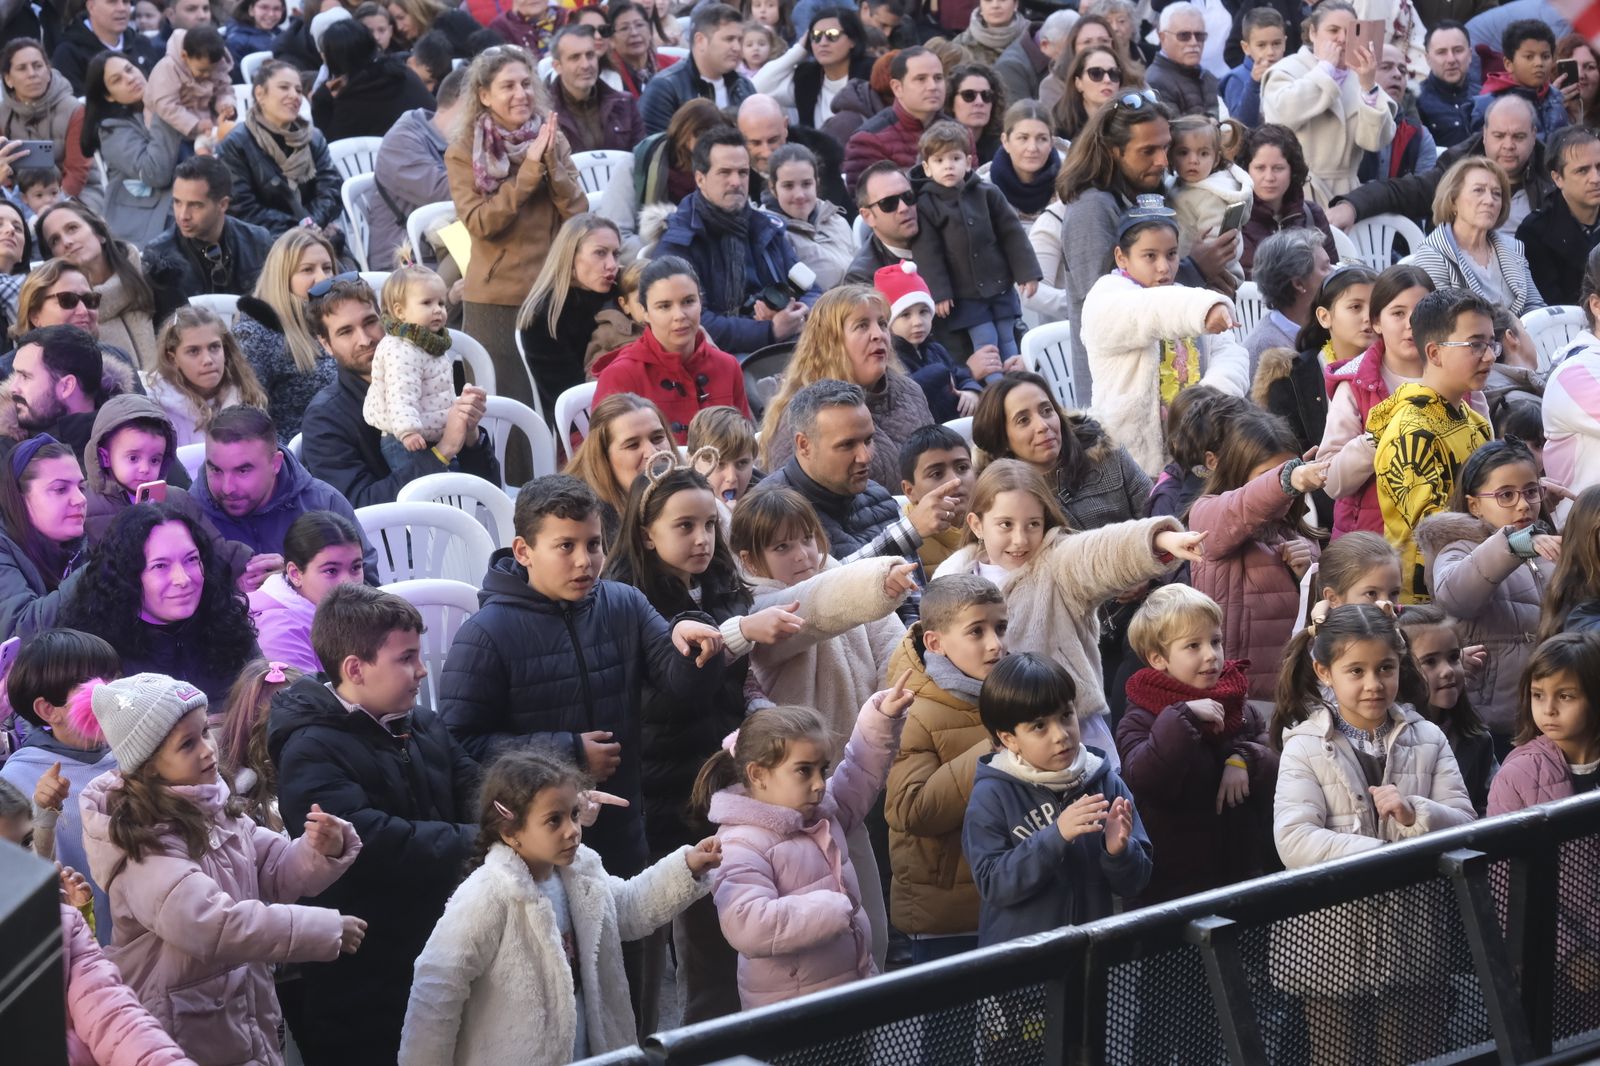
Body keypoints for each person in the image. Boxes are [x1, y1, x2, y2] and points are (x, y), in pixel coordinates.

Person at [437, 473, 724, 1024]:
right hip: (537, 854)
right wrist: (567, 752)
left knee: (633, 996)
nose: (584, 561)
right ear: (524, 551)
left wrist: (696, 639)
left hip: (623, 831)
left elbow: (680, 685)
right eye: (564, 546)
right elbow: (460, 743)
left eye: (593, 544)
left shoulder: (622, 603)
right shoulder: (488, 633)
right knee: (558, 1003)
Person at [73, 671, 361, 1065]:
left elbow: (273, 868)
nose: (208, 749)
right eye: (187, 744)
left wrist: (317, 850)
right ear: (148, 767)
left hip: (239, 1008)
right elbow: (211, 924)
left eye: (204, 733)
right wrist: (319, 929)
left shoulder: (214, 807)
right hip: (183, 1026)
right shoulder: (142, 846)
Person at [598, 461, 787, 1023]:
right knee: (649, 950)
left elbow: (732, 686)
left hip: (717, 783)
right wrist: (737, 636)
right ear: (646, 533)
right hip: (660, 791)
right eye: (684, 526)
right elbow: (673, 696)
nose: (702, 539)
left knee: (715, 944)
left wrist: (756, 708)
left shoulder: (723, 587)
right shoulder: (630, 604)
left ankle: (717, 1045)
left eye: (710, 524)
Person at [267, 582, 480, 1065]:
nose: (422, 670)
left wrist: (530, 809)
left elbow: (478, 790)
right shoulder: (309, 749)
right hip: (363, 978)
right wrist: (483, 841)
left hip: (439, 947)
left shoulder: (422, 724)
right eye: (406, 658)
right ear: (355, 669)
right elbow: (376, 843)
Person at [399, 749, 717, 1065]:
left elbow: (627, 907)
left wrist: (687, 866)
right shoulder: (487, 895)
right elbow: (437, 987)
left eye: (574, 815)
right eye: (554, 820)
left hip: (594, 1053)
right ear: (511, 833)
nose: (572, 830)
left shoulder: (583, 871)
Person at [1270, 603, 1474, 1062]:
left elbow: (1464, 821)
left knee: (1408, 1054)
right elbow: (1295, 839)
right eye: (1356, 670)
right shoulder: (1304, 746)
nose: (1373, 684)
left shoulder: (1428, 738)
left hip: (1413, 933)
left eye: (1385, 668)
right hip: (1328, 940)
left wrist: (1413, 813)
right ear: (1324, 671)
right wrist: (1383, 850)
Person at [933, 459, 1200, 763]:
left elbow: (1099, 552)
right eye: (1006, 524)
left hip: (1078, 737)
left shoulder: (1058, 562)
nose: (1020, 539)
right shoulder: (952, 582)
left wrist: (1158, 540)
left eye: (1032, 524)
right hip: (1008, 747)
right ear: (977, 524)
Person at [694, 681, 908, 1008]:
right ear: (758, 774)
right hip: (793, 1015)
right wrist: (833, 908)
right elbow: (748, 925)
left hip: (850, 990)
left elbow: (859, 772)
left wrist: (881, 718)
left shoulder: (820, 814)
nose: (820, 784)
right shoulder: (739, 844)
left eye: (822, 770)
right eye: (803, 771)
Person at [447, 44, 587, 486]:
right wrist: (528, 172)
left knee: (554, 406)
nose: (521, 93)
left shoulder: (551, 137)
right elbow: (481, 223)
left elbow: (580, 214)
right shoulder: (463, 151)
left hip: (551, 294)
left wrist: (553, 167)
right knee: (507, 411)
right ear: (484, 95)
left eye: (526, 83)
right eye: (508, 85)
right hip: (496, 300)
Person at [1053, 95, 1237, 405]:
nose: (1163, 162)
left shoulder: (1150, 191)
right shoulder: (1092, 208)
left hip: (1171, 386)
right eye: (1148, 151)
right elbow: (1104, 312)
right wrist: (1195, 270)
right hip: (1121, 400)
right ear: (1114, 152)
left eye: (1166, 147)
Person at [961, 652, 1151, 947]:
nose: (1061, 735)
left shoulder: (1105, 781)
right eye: (1039, 726)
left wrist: (1118, 853)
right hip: (1021, 968)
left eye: (1066, 715)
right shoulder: (993, 793)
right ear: (1009, 739)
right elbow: (993, 883)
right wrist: (1056, 835)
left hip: (1092, 959)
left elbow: (1136, 882)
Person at [1118, 581, 1277, 908]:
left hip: (1240, 875)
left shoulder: (1239, 705)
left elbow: (1274, 755)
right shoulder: (1141, 716)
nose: (1211, 655)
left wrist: (1242, 758)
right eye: (1193, 646)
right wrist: (1182, 716)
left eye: (1215, 641)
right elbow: (1146, 778)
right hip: (1173, 889)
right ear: (1158, 658)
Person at [883, 573, 1005, 963]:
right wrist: (995, 745)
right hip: (945, 917)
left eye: (1000, 628)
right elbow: (909, 810)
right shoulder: (911, 710)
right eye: (977, 632)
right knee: (951, 1022)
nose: (995, 644)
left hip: (1007, 895)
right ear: (935, 643)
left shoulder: (1009, 691)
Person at [1080, 199, 1248, 477]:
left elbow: (1232, 355)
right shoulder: (1105, 298)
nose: (1164, 267)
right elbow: (1147, 310)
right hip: (1133, 464)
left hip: (1197, 449)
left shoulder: (1184, 295)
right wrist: (1205, 310)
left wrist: (1207, 402)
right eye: (1150, 256)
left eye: (1171, 254)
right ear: (1121, 257)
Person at [1414, 438, 1552, 740]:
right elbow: (1455, 597)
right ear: (1474, 505)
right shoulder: (1456, 547)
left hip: (1551, 707)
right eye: (1506, 495)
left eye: (1531, 491)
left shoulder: (1546, 547)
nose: (1523, 504)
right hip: (1491, 720)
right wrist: (1514, 546)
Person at [1186, 412, 1327, 698]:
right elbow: (1240, 508)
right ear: (1238, 472)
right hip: (1232, 693)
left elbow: (1317, 622)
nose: (1288, 490)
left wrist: (1306, 576)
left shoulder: (1302, 538)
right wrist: (1286, 478)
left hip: (1289, 694)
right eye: (1269, 476)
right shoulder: (1208, 514)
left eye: (1290, 475)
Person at [1369, 288, 1495, 603]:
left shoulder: (1473, 420)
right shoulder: (1411, 433)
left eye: (1491, 343)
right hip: (1427, 596)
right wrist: (1511, 530)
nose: (1490, 355)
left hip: (1480, 572)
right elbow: (1432, 527)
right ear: (1435, 352)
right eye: (1476, 344)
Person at [61, 506, 261, 703]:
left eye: (191, 559)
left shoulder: (228, 623)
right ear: (126, 575)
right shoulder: (96, 656)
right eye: (160, 566)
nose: (182, 579)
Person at [0, 628, 121, 941]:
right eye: (92, 688)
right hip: (86, 954)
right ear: (47, 710)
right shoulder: (18, 781)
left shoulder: (132, 755)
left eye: (112, 682)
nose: (108, 697)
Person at [650, 128, 815, 356]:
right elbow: (693, 321)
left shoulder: (765, 227)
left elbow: (811, 287)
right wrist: (769, 330)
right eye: (725, 172)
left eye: (743, 172)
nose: (736, 182)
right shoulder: (680, 242)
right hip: (722, 356)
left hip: (790, 343)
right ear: (700, 178)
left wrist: (799, 312)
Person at [761, 289, 933, 489]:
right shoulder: (802, 413)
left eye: (882, 324)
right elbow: (793, 507)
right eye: (862, 326)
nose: (878, 335)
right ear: (831, 343)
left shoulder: (910, 392)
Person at [1319, 265, 1437, 541]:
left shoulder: (1459, 378)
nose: (1411, 324)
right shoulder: (1355, 384)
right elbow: (1331, 480)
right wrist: (1379, 438)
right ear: (1376, 323)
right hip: (1372, 546)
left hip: (1444, 540)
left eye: (1421, 312)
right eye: (1398, 313)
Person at [1327, 95, 1552, 238]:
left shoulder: (1553, 174)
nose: (1508, 145)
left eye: (1519, 136)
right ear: (1484, 135)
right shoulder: (1457, 169)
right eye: (1499, 135)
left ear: (1534, 135)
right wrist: (1351, 206)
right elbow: (1400, 192)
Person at [909, 120, 1040, 366]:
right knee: (985, 339)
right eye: (939, 161)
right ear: (927, 168)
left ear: (968, 162)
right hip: (965, 293)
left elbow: (1011, 233)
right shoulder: (927, 205)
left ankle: (1015, 380)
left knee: (1007, 335)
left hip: (999, 284)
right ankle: (995, 384)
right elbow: (928, 252)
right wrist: (939, 293)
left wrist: (1027, 273)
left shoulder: (987, 193)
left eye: (955, 158)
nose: (948, 166)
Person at [192, 404, 378, 575]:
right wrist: (231, 592)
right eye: (216, 469)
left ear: (276, 463)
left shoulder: (324, 503)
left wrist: (297, 583)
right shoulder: (188, 515)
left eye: (243, 470)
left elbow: (367, 586)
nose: (227, 487)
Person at [78, 391, 254, 572]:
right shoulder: (83, 504)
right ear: (104, 457)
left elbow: (213, 547)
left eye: (155, 460)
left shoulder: (178, 500)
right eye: (133, 458)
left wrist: (248, 563)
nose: (145, 469)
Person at [591, 257, 752, 442]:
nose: (679, 315)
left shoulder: (728, 366)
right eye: (664, 306)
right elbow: (603, 459)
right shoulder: (620, 375)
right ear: (645, 313)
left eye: (688, 301)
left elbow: (744, 447)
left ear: (701, 303)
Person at [1261, 0, 1395, 208]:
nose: (1342, 39)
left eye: (1350, 31)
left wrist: (1368, 86)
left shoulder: (1360, 76)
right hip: (1295, 193)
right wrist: (1325, 71)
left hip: (1346, 196)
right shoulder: (1287, 69)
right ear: (1313, 33)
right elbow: (1279, 118)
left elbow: (1375, 141)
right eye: (1333, 30)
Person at [1253, 263, 1378, 468]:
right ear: (1324, 316)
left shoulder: (1395, 366)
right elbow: (1287, 457)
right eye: (1356, 307)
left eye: (1376, 309)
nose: (1368, 318)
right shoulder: (1291, 378)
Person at [142, 155, 275, 325]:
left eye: (195, 205)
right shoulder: (159, 255)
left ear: (223, 204)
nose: (183, 215)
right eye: (177, 202)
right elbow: (161, 329)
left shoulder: (258, 242)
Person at [217, 59, 342, 240]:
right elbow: (243, 209)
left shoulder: (313, 138)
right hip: (264, 243)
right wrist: (299, 229)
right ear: (260, 94)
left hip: (316, 235)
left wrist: (311, 225)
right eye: (284, 87)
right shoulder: (236, 144)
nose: (294, 95)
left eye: (299, 90)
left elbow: (331, 191)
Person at [233, 229, 337, 442]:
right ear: (282, 277)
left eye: (327, 268)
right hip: (300, 456)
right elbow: (249, 416)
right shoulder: (256, 331)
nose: (322, 278)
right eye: (307, 270)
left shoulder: (337, 319)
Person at [516, 213, 624, 415]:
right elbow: (569, 399)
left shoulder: (626, 294)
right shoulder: (544, 316)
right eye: (600, 253)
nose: (611, 265)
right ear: (570, 256)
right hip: (587, 425)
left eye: (616, 254)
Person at [1393, 604, 1497, 813]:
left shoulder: (1477, 738)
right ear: (1402, 670)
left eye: (1453, 657)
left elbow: (1488, 808)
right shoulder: (1389, 741)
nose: (1448, 671)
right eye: (1430, 661)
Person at [1412, 157, 1544, 316]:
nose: (1490, 201)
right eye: (1478, 190)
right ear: (1453, 201)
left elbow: (1535, 307)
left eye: (1497, 194)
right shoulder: (1433, 255)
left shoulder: (1513, 249)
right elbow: (1441, 323)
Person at [35, 202, 158, 370]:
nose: (66, 242)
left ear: (100, 233)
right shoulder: (59, 313)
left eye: (72, 228)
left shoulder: (155, 276)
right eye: (55, 240)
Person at [594, 98, 723, 257]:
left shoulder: (720, 173)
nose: (705, 142)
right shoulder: (634, 167)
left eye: (713, 136)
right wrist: (668, 255)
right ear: (682, 131)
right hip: (644, 265)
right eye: (700, 133)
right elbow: (616, 236)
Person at [1489, 632, 1600, 813]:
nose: (1548, 709)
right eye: (1538, 695)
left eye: (1565, 696)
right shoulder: (1516, 775)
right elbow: (1503, 841)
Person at [365, 69, 463, 272]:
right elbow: (446, 193)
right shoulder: (402, 139)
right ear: (465, 100)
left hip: (447, 250)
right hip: (406, 264)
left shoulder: (456, 138)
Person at [248, 509, 365, 673]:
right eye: (331, 571)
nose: (348, 583)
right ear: (295, 574)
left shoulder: (355, 611)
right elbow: (303, 698)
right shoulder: (280, 633)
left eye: (356, 567)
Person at [362, 265, 455, 468]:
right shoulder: (401, 349)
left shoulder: (430, 343)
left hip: (430, 435)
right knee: (428, 490)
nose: (438, 309)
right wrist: (408, 431)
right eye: (427, 302)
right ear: (400, 311)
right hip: (405, 440)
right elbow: (400, 393)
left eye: (441, 303)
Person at [563, 393, 676, 540]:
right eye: (632, 445)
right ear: (603, 456)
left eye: (657, 438)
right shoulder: (581, 515)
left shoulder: (695, 492)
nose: (652, 452)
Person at [876, 263, 979, 424]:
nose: (918, 322)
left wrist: (971, 391)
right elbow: (910, 390)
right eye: (905, 315)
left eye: (923, 312)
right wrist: (940, 371)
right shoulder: (891, 360)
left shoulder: (935, 349)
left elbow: (959, 374)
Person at [843, 47, 950, 192]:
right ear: (897, 87)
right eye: (921, 79)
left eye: (938, 78)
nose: (932, 86)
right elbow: (868, 206)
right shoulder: (868, 140)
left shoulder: (959, 132)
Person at [10, 325, 128, 456]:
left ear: (66, 386)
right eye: (16, 374)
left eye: (25, 376)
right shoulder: (7, 451)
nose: (13, 387)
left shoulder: (134, 450)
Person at [1239, 124, 1338, 278]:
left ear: (1293, 170)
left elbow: (1333, 275)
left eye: (1278, 168)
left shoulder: (1312, 214)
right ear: (1246, 170)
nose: (1269, 177)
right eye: (1260, 168)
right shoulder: (1235, 218)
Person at [309, 19, 433, 141]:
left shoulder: (351, 103)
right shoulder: (405, 74)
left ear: (334, 61)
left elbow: (328, 145)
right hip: (437, 152)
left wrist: (322, 97)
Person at [1517, 125, 1600, 307]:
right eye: (1583, 171)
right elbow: (1552, 308)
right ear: (1557, 178)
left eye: (1599, 167)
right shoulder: (1534, 232)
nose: (1596, 178)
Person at [640, 4, 756, 133]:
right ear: (700, 40)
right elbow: (658, 148)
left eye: (740, 40)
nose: (737, 47)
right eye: (729, 39)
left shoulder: (744, 86)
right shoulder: (664, 89)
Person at [753, 6, 873, 128]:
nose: (823, 42)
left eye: (832, 34)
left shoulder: (871, 74)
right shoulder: (807, 78)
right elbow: (758, 85)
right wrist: (799, 49)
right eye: (816, 36)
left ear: (853, 40)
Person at [735, 93, 852, 215]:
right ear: (740, 136)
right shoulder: (729, 175)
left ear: (785, 126)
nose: (766, 152)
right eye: (756, 143)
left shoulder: (824, 162)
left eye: (773, 140)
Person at [763, 143, 853, 291]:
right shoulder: (769, 234)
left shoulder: (837, 220)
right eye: (788, 186)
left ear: (816, 183)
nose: (799, 195)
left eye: (806, 184)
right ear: (773, 188)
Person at [545, 25, 645, 155]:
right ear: (557, 66)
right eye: (575, 57)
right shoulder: (543, 112)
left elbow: (641, 159)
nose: (586, 65)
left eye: (590, 55)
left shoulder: (625, 104)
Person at [1241, 227, 1331, 368]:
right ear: (1299, 284)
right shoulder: (1265, 349)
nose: (1334, 273)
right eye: (1325, 268)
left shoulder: (1326, 325)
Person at [0, 39, 83, 185]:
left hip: (72, 196)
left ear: (49, 71)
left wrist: (53, 204)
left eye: (38, 66)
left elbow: (77, 173)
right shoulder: (2, 114)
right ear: (8, 79)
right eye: (22, 68)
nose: (32, 74)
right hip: (18, 197)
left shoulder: (74, 109)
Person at [1471, 19, 1568, 137]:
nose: (1539, 63)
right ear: (1508, 64)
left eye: (1545, 56)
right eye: (1529, 57)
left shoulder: (1556, 98)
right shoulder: (1488, 105)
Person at [145, 26, 235, 145]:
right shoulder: (167, 69)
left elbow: (224, 89)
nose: (207, 74)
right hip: (171, 131)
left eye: (211, 70)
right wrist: (195, 124)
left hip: (207, 125)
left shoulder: (217, 63)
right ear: (184, 56)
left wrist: (225, 105)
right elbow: (166, 105)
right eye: (202, 70)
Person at [51, 0, 161, 93]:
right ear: (91, 6)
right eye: (112, 2)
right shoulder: (69, 52)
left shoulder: (141, 43)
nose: (122, 8)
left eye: (126, 1)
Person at [986, 100, 1057, 226]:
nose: (1032, 148)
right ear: (1005, 141)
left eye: (1042, 139)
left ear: (1052, 142)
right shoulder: (984, 190)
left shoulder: (1069, 188)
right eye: (1023, 138)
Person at [1144, 2, 1218, 117]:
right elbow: (1173, 132)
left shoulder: (1208, 77)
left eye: (1199, 36)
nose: (1194, 43)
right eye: (1184, 35)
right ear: (1163, 37)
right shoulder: (1155, 82)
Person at [993, 8, 1074, 107]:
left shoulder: (1051, 39)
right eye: (1068, 51)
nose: (1075, 55)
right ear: (1045, 45)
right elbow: (1021, 118)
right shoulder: (1010, 68)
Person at [1048, 44, 1128, 144]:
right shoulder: (1060, 128)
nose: (1107, 80)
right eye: (1096, 73)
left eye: (1114, 73)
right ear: (1078, 83)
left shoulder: (1133, 121)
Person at [1219, 7, 1285, 128]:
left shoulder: (1290, 71)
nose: (1270, 52)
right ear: (1246, 48)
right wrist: (1254, 84)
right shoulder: (1237, 79)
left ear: (1285, 42)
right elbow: (1240, 126)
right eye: (1261, 45)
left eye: (1276, 43)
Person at [1418, 21, 1477, 150]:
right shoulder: (1416, 101)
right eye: (1441, 52)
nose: (1451, 59)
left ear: (1470, 55)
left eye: (1458, 50)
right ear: (1427, 59)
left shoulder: (1485, 94)